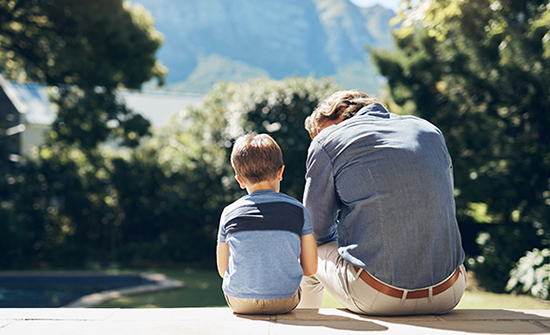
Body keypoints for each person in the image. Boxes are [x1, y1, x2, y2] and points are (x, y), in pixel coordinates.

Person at [297, 90, 466, 316]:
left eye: (323, 131)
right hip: (449, 292)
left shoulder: (327, 142)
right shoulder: (429, 131)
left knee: (307, 249)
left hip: (378, 296)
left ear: (340, 111)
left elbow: (315, 231)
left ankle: (305, 328)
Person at [216, 133, 318, 314]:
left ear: (239, 180)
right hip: (285, 301)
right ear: (280, 172)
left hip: (240, 302)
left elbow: (223, 270)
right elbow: (310, 269)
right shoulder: (298, 210)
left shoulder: (229, 213)